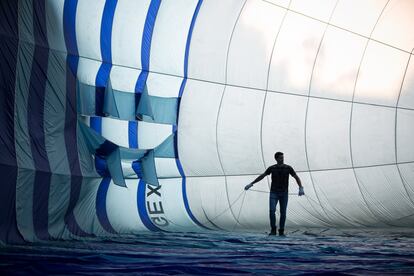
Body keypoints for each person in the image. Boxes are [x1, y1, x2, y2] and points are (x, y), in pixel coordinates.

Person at [244, 152, 304, 236]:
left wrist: (300, 187)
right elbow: (262, 176)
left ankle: (281, 230)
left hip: (284, 193)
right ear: (276, 159)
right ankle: (273, 229)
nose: (282, 159)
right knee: (272, 211)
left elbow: (296, 177)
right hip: (274, 193)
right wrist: (251, 183)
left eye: (283, 157)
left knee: (283, 213)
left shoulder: (288, 168)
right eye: (280, 158)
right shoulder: (272, 168)